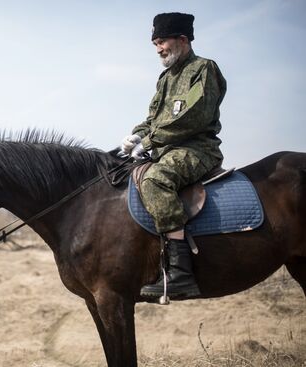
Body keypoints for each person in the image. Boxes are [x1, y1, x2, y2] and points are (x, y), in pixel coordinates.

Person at [121, 12, 227, 300]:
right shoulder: (166, 78)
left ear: (183, 40)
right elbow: (153, 118)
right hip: (167, 149)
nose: (158, 49)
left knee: (155, 181)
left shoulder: (203, 69)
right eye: (155, 43)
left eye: (162, 42)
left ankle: (181, 273)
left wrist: (150, 139)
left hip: (197, 150)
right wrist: (135, 135)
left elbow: (193, 116)